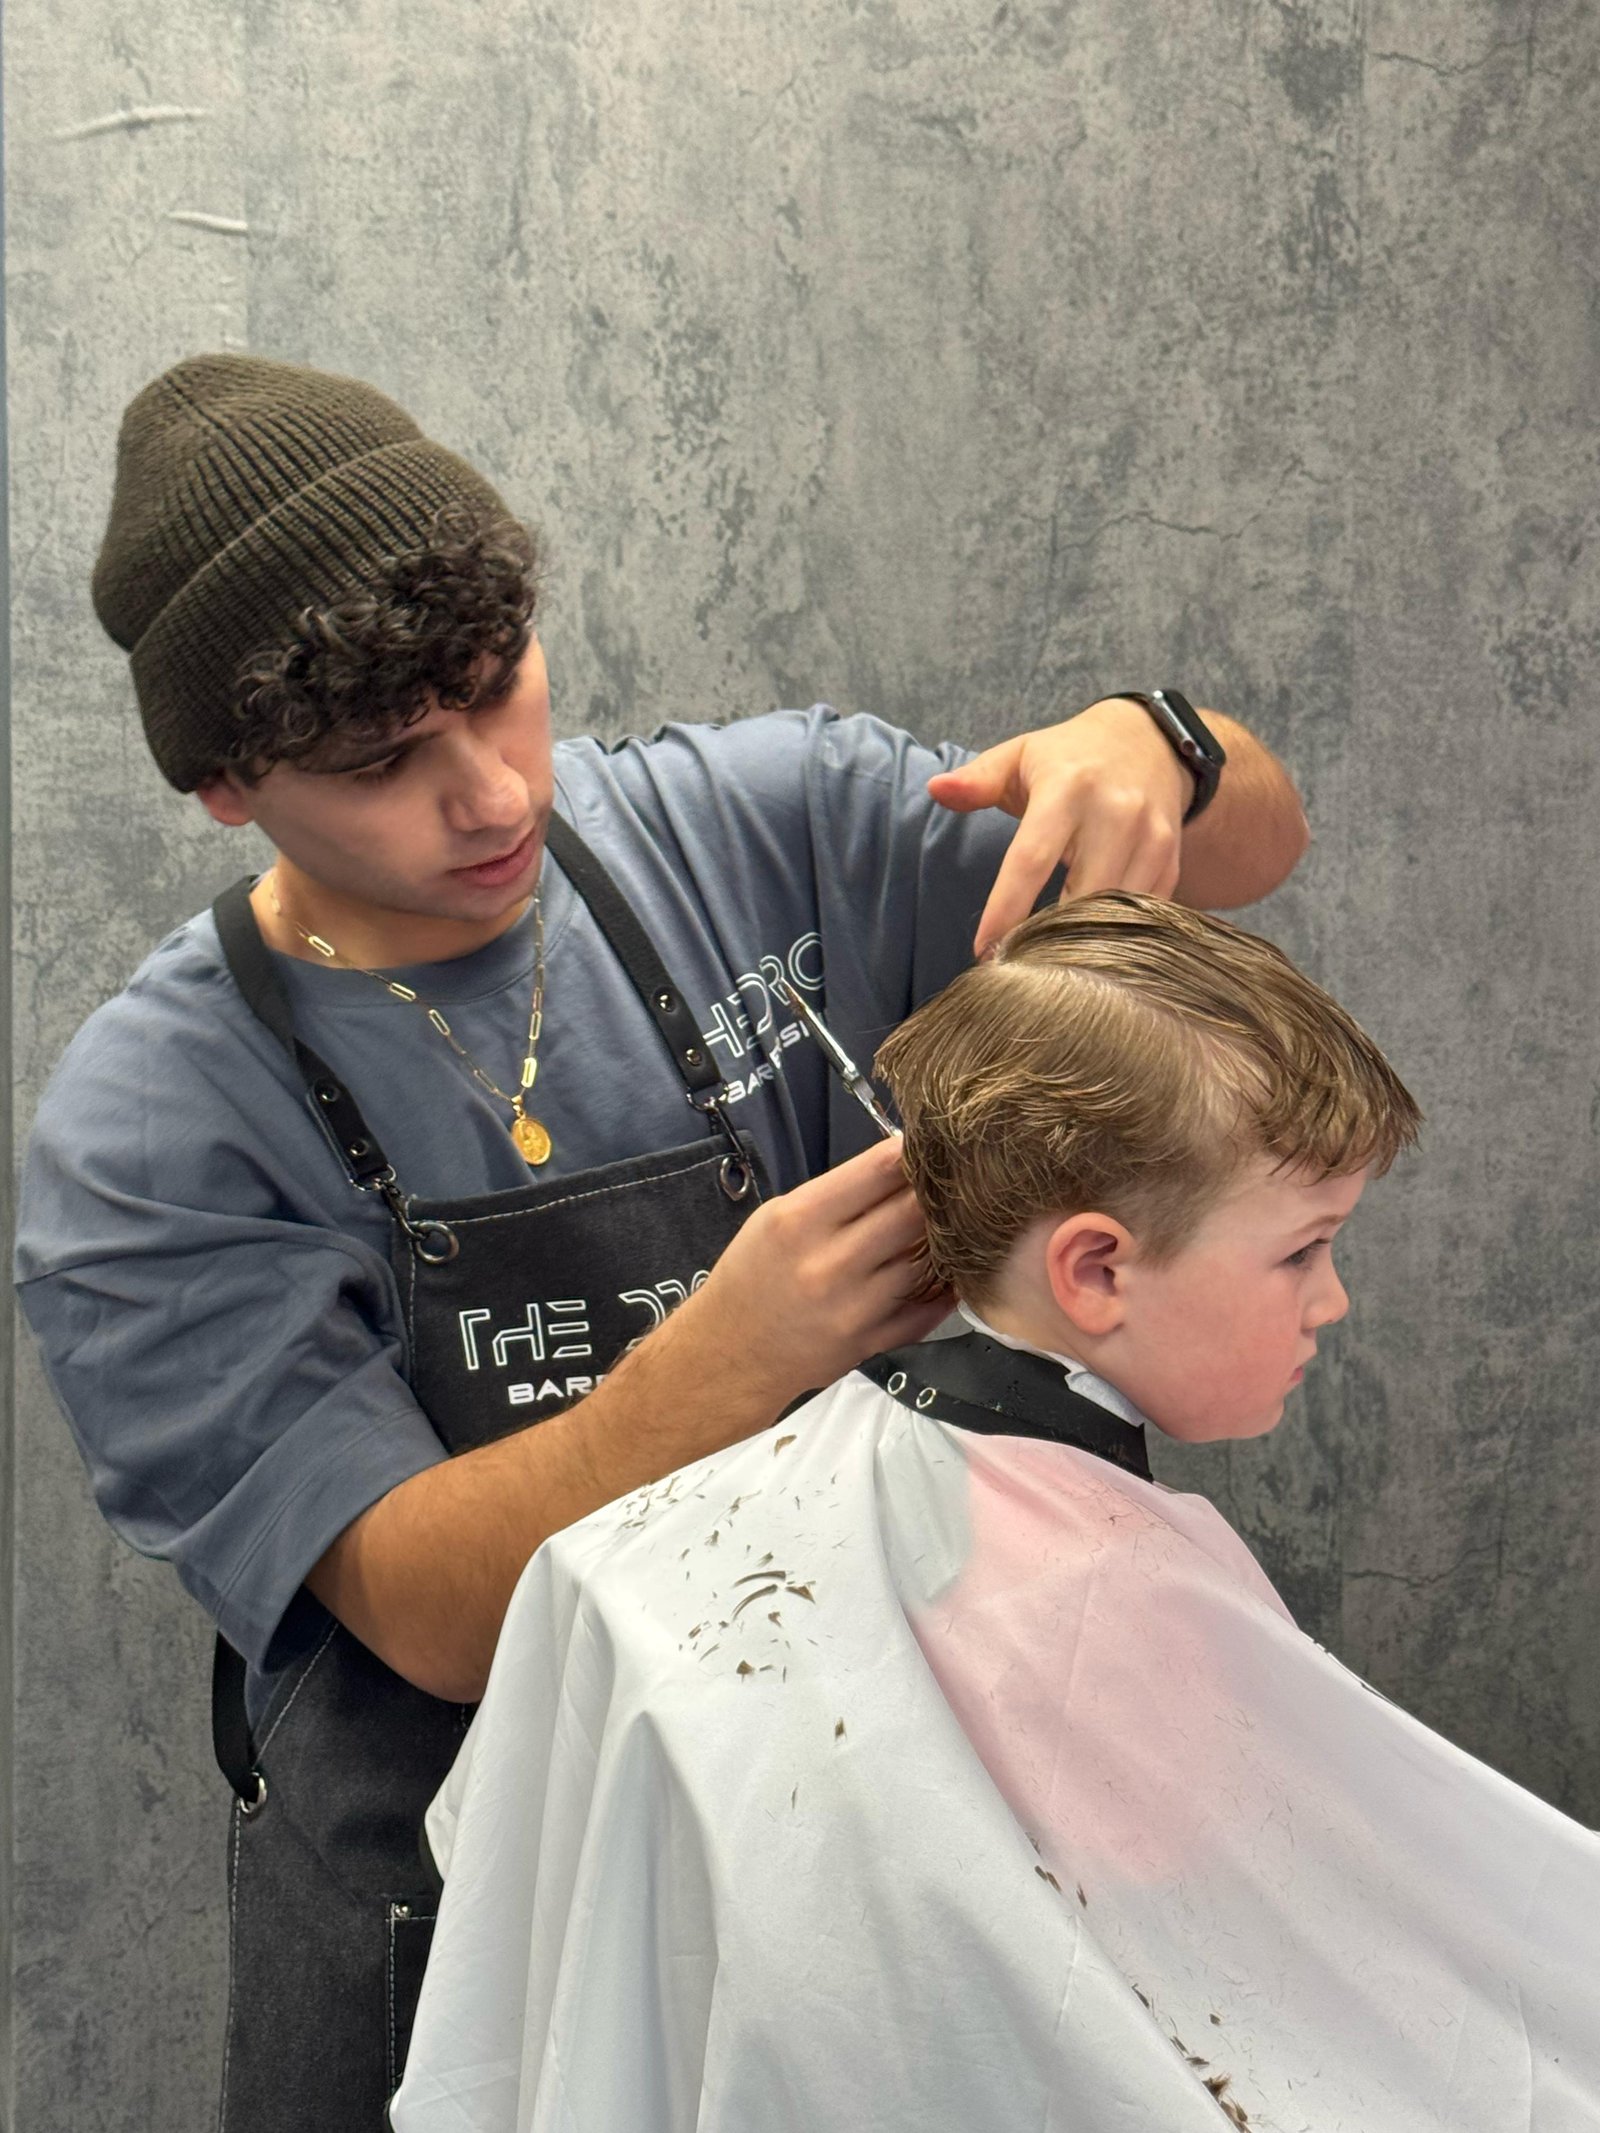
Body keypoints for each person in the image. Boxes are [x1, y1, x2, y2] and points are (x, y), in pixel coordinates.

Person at [14, 354, 1308, 2127]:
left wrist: (1151, 742)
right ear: (230, 786)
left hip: (884, 1845)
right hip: (469, 1929)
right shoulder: (151, 1132)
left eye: (502, 693)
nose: (490, 798)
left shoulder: (756, 823)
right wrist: (727, 1355)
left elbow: (1244, 839)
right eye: (387, 760)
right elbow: (431, 1615)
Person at [391, 895, 1599, 2133]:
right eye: (1303, 1250)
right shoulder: (1115, 1588)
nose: (1328, 1301)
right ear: (1094, 1269)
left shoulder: (651, 1551)